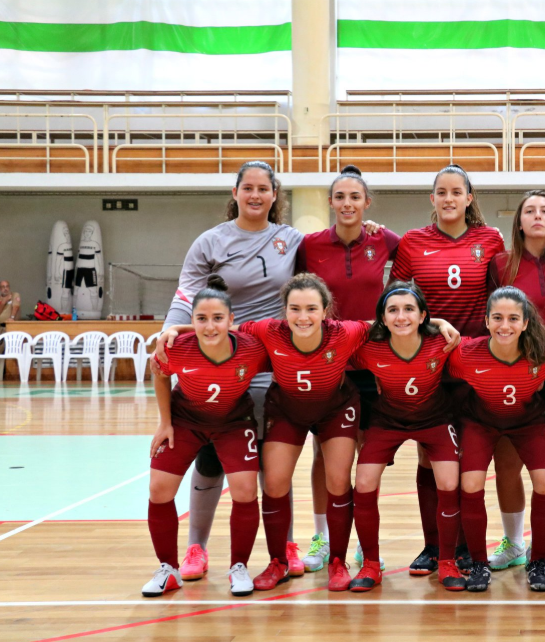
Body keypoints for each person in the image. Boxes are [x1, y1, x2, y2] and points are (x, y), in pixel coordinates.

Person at [159, 161, 305, 581]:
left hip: (270, 364)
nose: (256, 195)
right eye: (248, 188)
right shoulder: (211, 241)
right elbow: (187, 291)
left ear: (275, 195)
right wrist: (172, 328)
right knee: (212, 456)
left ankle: (286, 545)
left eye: (264, 188)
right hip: (219, 362)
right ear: (236, 192)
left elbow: (331, 254)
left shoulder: (291, 240)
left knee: (274, 460)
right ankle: (196, 549)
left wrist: (367, 227)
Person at [389, 164, 505, 574]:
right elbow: (397, 297)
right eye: (441, 192)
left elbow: (504, 295)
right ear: (432, 198)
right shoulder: (413, 242)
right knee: (430, 455)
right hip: (429, 360)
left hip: (477, 361)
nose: (449, 198)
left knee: (469, 459)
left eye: (457, 191)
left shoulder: (491, 239)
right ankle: (434, 545)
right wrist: (432, 324)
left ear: (469, 198)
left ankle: (466, 547)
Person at [294, 165, 399, 574]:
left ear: (366, 203)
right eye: (340, 197)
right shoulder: (311, 245)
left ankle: (362, 541)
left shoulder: (386, 240)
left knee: (364, 454)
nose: (348, 204)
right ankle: (323, 535)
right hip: (327, 363)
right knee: (326, 454)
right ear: (331, 202)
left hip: (372, 364)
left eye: (356, 197)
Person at [143, 276, 269, 598]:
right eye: (201, 319)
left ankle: (238, 567)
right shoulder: (177, 348)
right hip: (186, 420)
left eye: (217, 318)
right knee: (159, 488)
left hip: (233, 422)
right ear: (192, 321)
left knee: (244, 489)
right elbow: (159, 374)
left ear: (231, 320)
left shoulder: (252, 348)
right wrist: (164, 422)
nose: (210, 326)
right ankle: (168, 569)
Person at [448, 287, 545, 591]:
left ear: (526, 323)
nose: (505, 325)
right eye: (498, 318)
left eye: (514, 318)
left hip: (528, 422)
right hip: (480, 422)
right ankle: (478, 564)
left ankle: (538, 561)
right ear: (487, 321)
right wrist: (439, 323)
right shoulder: (465, 354)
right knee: (471, 484)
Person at [347, 282, 463, 592]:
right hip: (387, 421)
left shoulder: (443, 343)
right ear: (382, 319)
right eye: (393, 310)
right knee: (364, 482)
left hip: (435, 419)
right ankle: (371, 563)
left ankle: (447, 561)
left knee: (450, 483)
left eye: (409, 309)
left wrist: (440, 323)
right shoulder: (368, 349)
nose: (401, 316)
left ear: (423, 315)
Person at [485, 190, 545, 572]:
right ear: (518, 221)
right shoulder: (500, 264)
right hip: (513, 377)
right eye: (529, 211)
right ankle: (514, 542)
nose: (537, 216)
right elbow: (492, 318)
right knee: (507, 464)